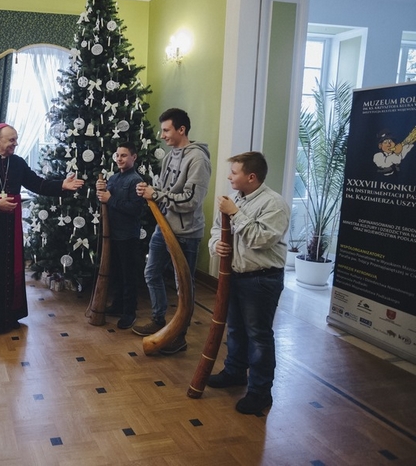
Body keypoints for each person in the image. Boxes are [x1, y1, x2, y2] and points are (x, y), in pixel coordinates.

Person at [0, 123, 84, 339]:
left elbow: (37, 184)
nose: (15, 144)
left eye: (16, 139)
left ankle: (7, 317)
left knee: (8, 269)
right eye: (11, 140)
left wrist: (62, 185)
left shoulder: (17, 163)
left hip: (9, 228)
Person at [207, 151, 290, 415]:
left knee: (259, 336)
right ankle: (234, 372)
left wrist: (236, 214)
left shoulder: (274, 204)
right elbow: (215, 230)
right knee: (235, 330)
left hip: (261, 279)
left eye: (234, 172)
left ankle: (260, 392)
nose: (229, 177)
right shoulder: (234, 200)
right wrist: (216, 244)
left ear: (251, 177)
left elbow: (260, 239)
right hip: (235, 276)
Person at [132, 108, 211, 355]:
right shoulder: (168, 157)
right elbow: (164, 191)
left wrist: (156, 194)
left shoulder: (198, 159)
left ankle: (179, 336)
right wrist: (150, 191)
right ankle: (158, 320)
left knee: (183, 286)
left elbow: (190, 201)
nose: (162, 135)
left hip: (186, 234)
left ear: (181, 129)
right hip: (163, 227)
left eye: (166, 130)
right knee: (151, 273)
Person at [95, 142, 146, 329]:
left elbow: (135, 209)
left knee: (128, 275)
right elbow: (105, 201)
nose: (119, 159)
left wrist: (111, 199)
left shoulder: (136, 181)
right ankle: (117, 305)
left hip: (127, 236)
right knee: (116, 272)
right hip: (112, 234)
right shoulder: (114, 178)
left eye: (124, 155)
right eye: (117, 155)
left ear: (134, 157)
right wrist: (100, 190)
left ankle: (129, 312)